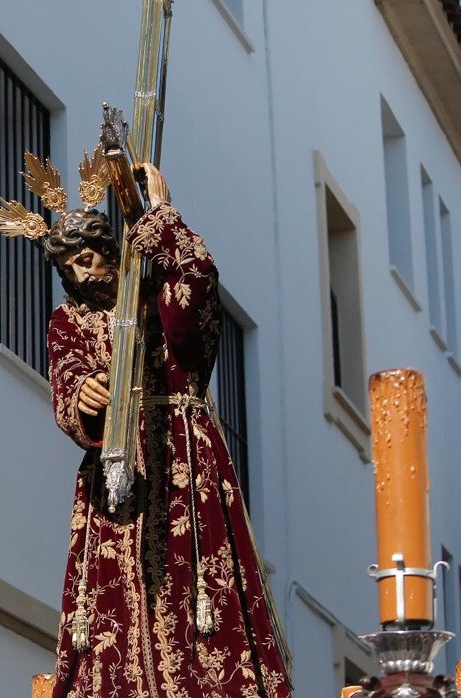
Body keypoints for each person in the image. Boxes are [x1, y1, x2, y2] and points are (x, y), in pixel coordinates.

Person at [42, 165, 292, 697]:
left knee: (193, 592)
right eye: (69, 267)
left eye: (87, 258)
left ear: (109, 249)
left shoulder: (160, 297)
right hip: (118, 475)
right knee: (119, 610)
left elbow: (196, 298)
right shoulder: (68, 321)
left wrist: (163, 219)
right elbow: (66, 379)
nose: (82, 274)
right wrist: (84, 395)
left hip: (182, 459)